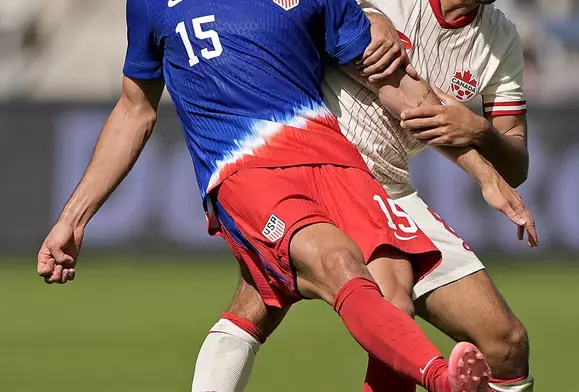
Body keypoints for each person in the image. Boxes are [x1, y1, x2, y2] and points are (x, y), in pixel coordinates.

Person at [35, 0, 536, 391]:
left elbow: (391, 82)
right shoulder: (152, 5)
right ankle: (440, 379)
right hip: (251, 169)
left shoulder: (496, 36)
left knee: (399, 296)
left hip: (341, 163)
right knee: (335, 264)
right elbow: (133, 109)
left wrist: (484, 167)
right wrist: (74, 218)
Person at [191, 1, 538, 392]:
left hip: (390, 187)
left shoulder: (501, 37)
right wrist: (368, 14)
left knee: (506, 345)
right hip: (311, 165)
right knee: (261, 307)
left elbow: (516, 165)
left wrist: (478, 131)